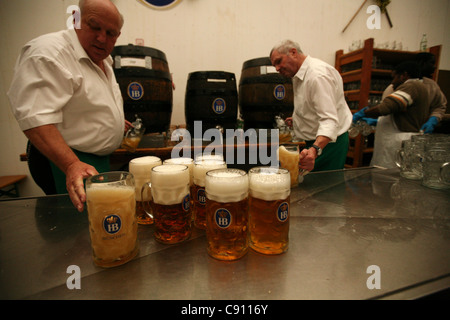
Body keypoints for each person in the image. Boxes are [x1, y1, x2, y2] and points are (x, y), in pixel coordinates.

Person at [8, 0, 130, 212]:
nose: (102, 38)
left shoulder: (102, 58)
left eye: (111, 33)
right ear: (76, 19)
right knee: (78, 228)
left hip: (95, 160)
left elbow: (85, 102)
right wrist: (71, 164)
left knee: (98, 221)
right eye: (95, 26)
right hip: (65, 161)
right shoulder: (49, 53)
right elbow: (36, 119)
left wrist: (115, 121)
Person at [270, 40, 352, 172]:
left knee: (326, 189)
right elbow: (313, 106)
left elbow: (329, 120)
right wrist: (298, 120)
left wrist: (315, 149)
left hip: (328, 144)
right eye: (274, 65)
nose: (277, 68)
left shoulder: (317, 76)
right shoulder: (299, 75)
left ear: (293, 53)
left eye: (279, 61)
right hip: (317, 142)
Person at [353, 61, 430, 168]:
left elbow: (386, 107)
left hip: (397, 142)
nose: (393, 82)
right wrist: (378, 121)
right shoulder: (420, 87)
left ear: (404, 75)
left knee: (389, 176)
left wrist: (362, 114)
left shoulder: (411, 86)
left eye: (395, 77)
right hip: (397, 139)